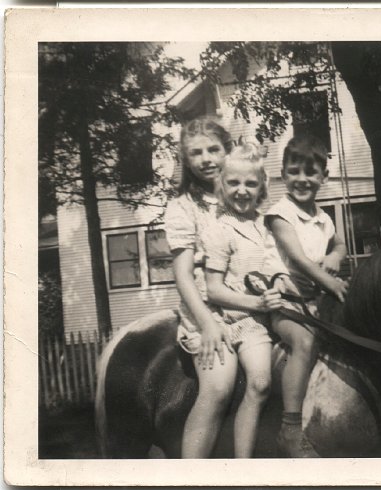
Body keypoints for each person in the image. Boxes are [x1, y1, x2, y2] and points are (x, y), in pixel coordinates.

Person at [263, 135, 348, 457]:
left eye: (311, 173)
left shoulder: (324, 217)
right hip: (284, 303)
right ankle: (290, 426)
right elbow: (297, 258)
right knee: (304, 343)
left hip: (313, 304)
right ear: (283, 175)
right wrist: (330, 281)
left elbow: (338, 244)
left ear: (323, 177)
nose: (302, 179)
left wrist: (336, 257)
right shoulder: (280, 214)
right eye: (294, 171)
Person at [201, 144, 282, 458]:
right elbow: (214, 290)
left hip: (277, 314)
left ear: (262, 185)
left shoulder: (268, 225)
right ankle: (243, 463)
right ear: (222, 184)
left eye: (250, 183)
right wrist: (257, 305)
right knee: (260, 381)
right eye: (233, 183)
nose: (242, 190)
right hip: (244, 322)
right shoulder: (220, 230)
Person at [164, 117, 237, 458]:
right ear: (187, 160)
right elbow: (182, 274)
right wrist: (207, 321)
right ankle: (192, 470)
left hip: (247, 301)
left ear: (228, 151)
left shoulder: (244, 196)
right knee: (220, 385)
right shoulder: (183, 208)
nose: (207, 158)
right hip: (207, 309)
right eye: (197, 153)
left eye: (214, 149)